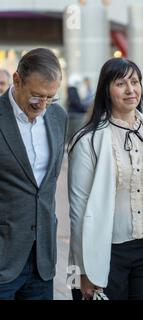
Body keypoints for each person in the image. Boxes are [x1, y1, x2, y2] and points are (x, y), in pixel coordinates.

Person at [68, 58, 143, 300]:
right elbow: (77, 211)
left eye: (135, 82)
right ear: (106, 91)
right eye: (121, 83)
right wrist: (81, 271)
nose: (131, 90)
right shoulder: (88, 140)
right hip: (106, 250)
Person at [0, 48, 67, 299]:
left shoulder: (58, 117)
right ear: (17, 80)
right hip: (4, 256)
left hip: (43, 260)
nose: (43, 105)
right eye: (37, 96)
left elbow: (47, 185)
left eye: (50, 97)